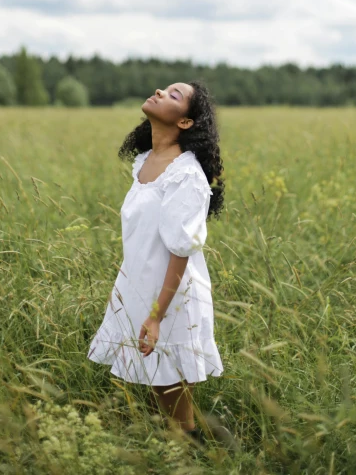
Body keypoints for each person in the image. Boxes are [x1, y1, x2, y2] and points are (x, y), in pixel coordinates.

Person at [87, 80, 225, 444]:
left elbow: (180, 250)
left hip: (171, 294)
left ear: (184, 123)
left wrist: (156, 314)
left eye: (174, 95)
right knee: (158, 381)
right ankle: (186, 443)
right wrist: (124, 288)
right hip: (142, 284)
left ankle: (198, 448)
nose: (161, 92)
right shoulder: (145, 162)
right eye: (164, 89)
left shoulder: (187, 175)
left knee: (172, 386)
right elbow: (142, 237)